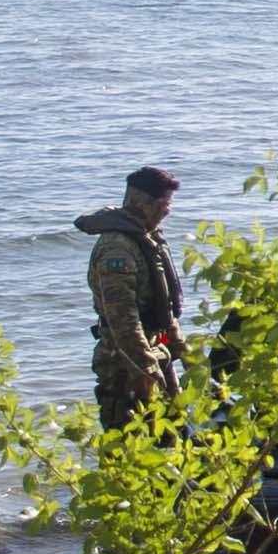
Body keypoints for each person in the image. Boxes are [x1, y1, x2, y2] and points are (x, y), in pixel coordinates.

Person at [78, 167, 184, 424]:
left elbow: (161, 307)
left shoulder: (147, 238)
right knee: (129, 446)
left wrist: (182, 349)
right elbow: (123, 319)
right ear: (144, 204)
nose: (168, 211)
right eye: (164, 204)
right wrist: (146, 370)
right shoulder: (118, 250)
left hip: (155, 351)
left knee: (174, 433)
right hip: (124, 364)